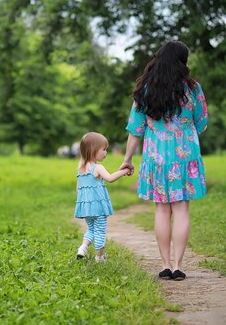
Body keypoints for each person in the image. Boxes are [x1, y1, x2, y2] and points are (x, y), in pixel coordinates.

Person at [119, 40, 208, 281]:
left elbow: (135, 129)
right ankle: (179, 265)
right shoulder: (193, 89)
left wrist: (127, 159)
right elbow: (201, 123)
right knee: (181, 209)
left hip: (156, 157)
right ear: (183, 61)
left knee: (161, 209)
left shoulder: (146, 89)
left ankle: (166, 265)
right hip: (185, 156)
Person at [74, 132, 131, 263]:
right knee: (100, 230)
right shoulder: (97, 167)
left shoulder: (80, 169)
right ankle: (99, 257)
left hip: (86, 207)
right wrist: (124, 171)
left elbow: (78, 189)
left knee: (91, 229)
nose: (106, 152)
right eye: (104, 149)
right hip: (98, 207)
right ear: (93, 150)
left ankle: (83, 248)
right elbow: (110, 178)